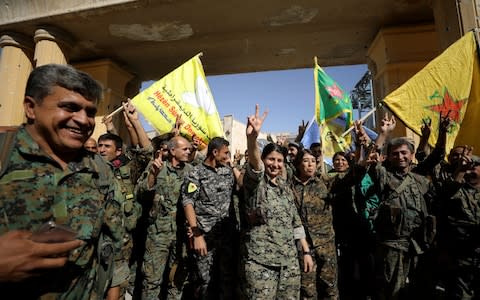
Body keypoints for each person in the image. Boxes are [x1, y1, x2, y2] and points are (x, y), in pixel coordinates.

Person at [0, 64, 122, 298]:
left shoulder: (99, 169)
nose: (83, 120)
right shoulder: (4, 154)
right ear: (31, 107)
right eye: (70, 107)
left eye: (89, 111)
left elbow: (112, 241)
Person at [240, 104, 313, 299]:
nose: (275, 164)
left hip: (288, 263)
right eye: (271, 159)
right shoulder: (255, 183)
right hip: (260, 264)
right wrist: (252, 138)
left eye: (280, 161)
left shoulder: (284, 186)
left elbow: (295, 222)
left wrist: (305, 251)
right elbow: (255, 165)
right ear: (264, 160)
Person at [363, 137, 435, 299]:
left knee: (420, 288)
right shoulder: (384, 176)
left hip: (418, 244)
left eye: (404, 153)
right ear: (388, 156)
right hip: (393, 244)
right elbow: (374, 160)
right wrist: (383, 134)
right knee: (393, 289)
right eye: (395, 154)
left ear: (412, 155)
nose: (400, 157)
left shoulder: (421, 180)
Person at [137, 136, 192, 299]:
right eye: (185, 149)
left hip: (181, 236)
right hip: (158, 234)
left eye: (189, 149)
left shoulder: (191, 171)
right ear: (173, 151)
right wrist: (153, 174)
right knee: (151, 281)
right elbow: (140, 193)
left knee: (176, 280)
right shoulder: (157, 166)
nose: (189, 151)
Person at [182, 137, 237, 299]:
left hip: (226, 238)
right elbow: (188, 202)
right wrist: (196, 233)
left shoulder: (227, 172)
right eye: (225, 153)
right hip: (204, 239)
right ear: (214, 152)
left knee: (226, 281)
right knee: (204, 282)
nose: (228, 156)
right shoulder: (195, 173)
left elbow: (239, 188)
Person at [98, 132, 141, 299]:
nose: (101, 150)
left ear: (118, 152)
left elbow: (142, 152)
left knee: (118, 282)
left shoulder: (127, 171)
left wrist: (132, 124)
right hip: (98, 237)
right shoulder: (90, 171)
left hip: (122, 239)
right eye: (99, 146)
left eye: (106, 146)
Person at [291, 149, 338, 299]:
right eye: (305, 161)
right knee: (307, 290)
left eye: (313, 161)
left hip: (326, 244)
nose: (310, 164)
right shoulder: (290, 185)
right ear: (298, 164)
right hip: (303, 246)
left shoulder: (324, 182)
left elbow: (351, 176)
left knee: (329, 288)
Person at [434, 153, 480, 298]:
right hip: (459, 259)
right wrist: (460, 170)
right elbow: (445, 194)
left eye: (474, 167)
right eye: (466, 168)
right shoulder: (455, 190)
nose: (469, 171)